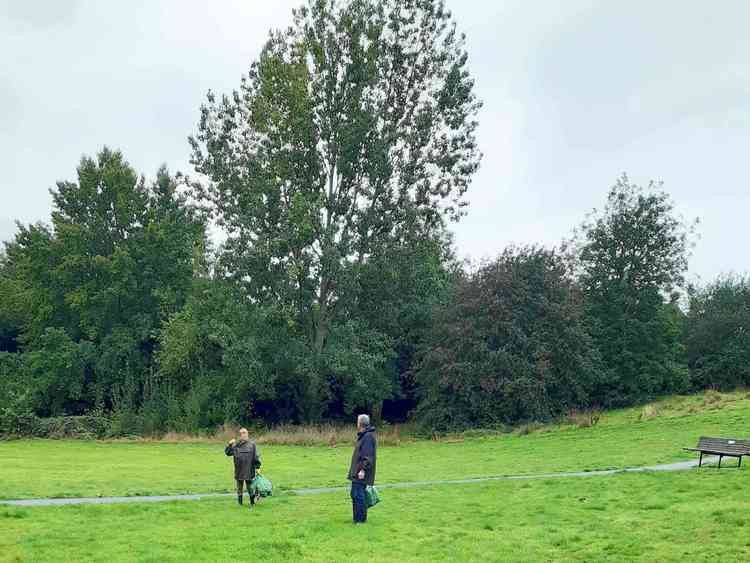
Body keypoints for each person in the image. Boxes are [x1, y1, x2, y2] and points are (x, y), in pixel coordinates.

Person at [347, 414, 377, 524]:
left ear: (360, 423)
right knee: (356, 494)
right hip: (358, 471)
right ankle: (358, 519)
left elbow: (368, 457)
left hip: (361, 473)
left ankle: (360, 520)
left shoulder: (367, 437)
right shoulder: (364, 435)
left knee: (358, 495)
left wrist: (362, 470)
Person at [225, 427, 261, 507]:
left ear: (247, 434)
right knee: (239, 488)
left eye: (245, 433)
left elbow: (256, 457)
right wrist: (230, 444)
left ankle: (252, 502)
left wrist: (258, 467)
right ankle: (240, 504)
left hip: (249, 469)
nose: (243, 435)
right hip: (239, 469)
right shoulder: (236, 445)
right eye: (242, 433)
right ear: (240, 435)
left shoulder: (252, 444)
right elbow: (228, 453)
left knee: (250, 487)